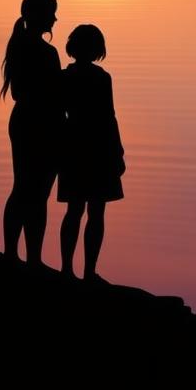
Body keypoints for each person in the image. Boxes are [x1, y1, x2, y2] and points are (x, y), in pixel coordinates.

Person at [1, 0, 64, 266]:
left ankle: (12, 254)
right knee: (38, 193)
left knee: (22, 188)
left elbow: (17, 92)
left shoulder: (17, 45)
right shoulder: (46, 53)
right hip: (42, 124)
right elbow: (55, 96)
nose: (55, 18)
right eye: (51, 13)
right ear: (39, 15)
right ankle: (33, 259)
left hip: (23, 120)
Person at [59, 24, 125, 280]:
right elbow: (109, 117)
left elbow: (60, 112)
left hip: (73, 145)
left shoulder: (64, 77)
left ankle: (67, 269)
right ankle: (89, 272)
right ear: (99, 49)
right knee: (96, 212)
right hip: (99, 147)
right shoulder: (101, 78)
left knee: (74, 209)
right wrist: (118, 151)